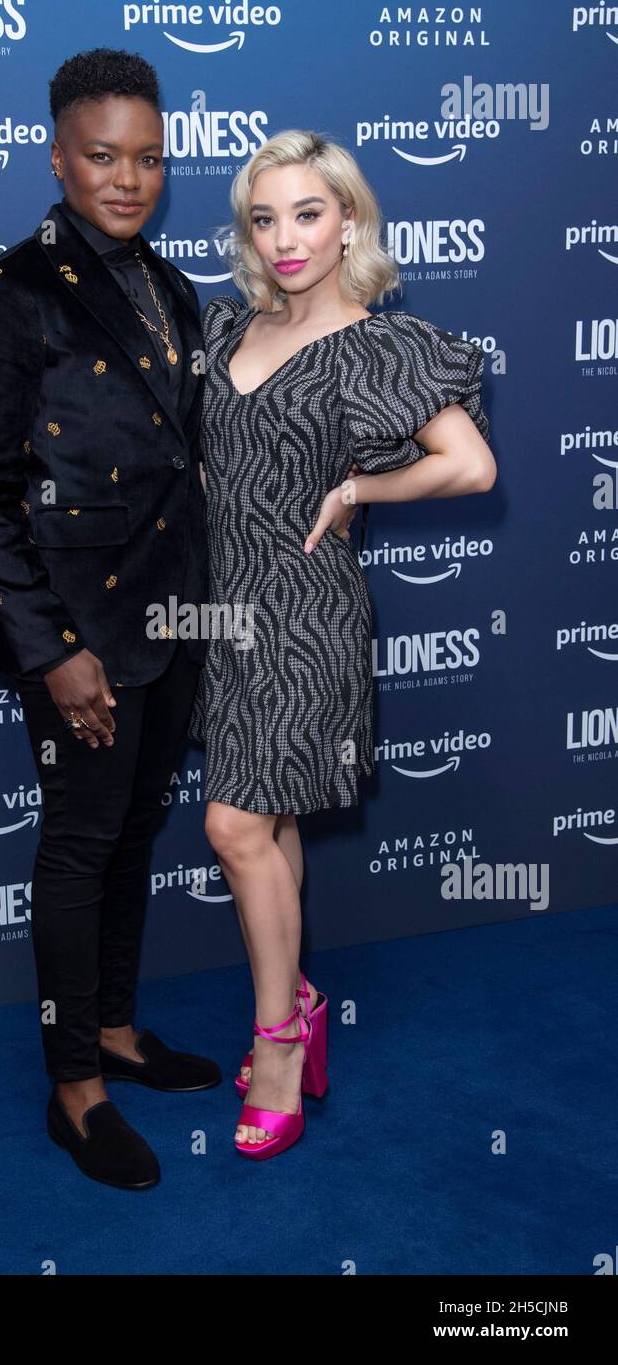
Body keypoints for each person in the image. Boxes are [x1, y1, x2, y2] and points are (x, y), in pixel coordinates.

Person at [188, 129, 496, 1161]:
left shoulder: (380, 344)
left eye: (307, 213)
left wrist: (362, 485)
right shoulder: (228, 325)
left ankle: (278, 1043)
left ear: (348, 220)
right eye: (264, 217)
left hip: (306, 612)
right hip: (222, 612)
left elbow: (471, 465)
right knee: (262, 833)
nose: (285, 238)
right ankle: (298, 1003)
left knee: (234, 826)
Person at [0, 47, 220, 1192]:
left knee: (130, 838)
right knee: (77, 850)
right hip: (77, 635)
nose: (128, 178)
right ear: (57, 154)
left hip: (173, 621)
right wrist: (52, 650)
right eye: (103, 156)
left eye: (148, 158)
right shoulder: (14, 289)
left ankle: (115, 1029)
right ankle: (76, 1089)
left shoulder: (171, 285)